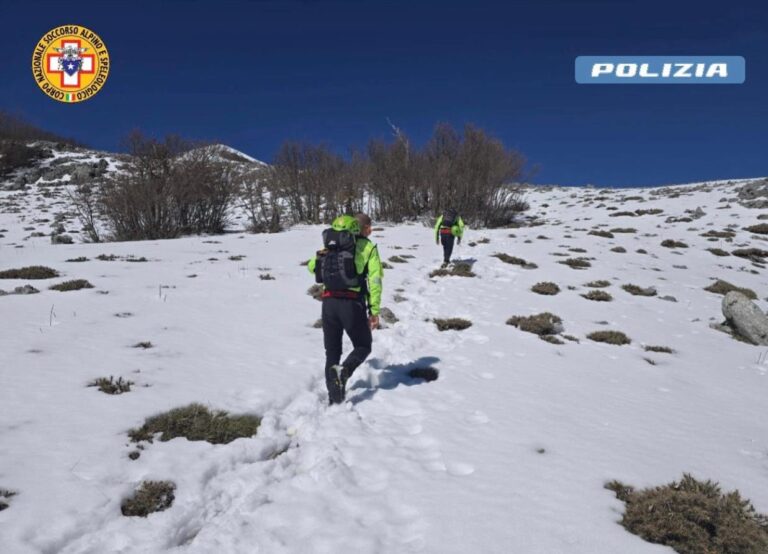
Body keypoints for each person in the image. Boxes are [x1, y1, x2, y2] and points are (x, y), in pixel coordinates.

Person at [307, 213, 383, 404]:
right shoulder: (368, 247)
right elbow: (375, 281)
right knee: (363, 345)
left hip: (329, 303)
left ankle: (335, 400)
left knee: (332, 352)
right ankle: (345, 371)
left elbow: (311, 266)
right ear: (361, 228)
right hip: (352, 304)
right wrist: (374, 311)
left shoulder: (331, 246)